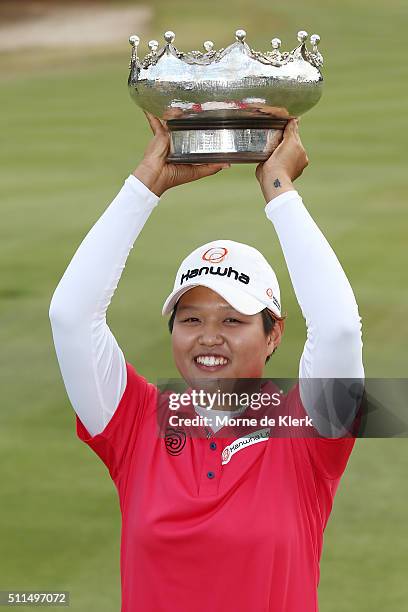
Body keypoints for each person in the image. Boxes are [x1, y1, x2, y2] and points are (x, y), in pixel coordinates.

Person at [49, 112, 364, 612]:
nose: (209, 338)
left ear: (272, 334)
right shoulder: (135, 424)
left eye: (234, 321)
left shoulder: (308, 435)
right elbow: (70, 316)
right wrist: (146, 183)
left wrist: (279, 189)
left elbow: (341, 328)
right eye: (190, 319)